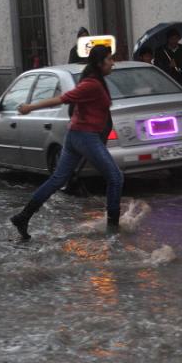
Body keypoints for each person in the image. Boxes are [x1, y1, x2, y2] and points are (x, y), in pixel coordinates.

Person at [11, 45, 123, 239]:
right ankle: (113, 229)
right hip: (85, 137)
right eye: (109, 59)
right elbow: (62, 99)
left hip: (77, 135)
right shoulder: (92, 84)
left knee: (58, 179)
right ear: (99, 63)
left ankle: (23, 216)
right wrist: (30, 107)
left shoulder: (96, 80)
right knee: (116, 178)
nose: (113, 63)